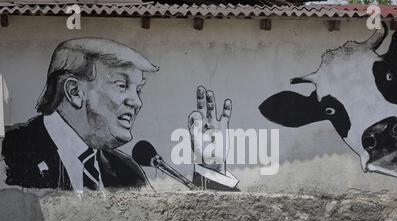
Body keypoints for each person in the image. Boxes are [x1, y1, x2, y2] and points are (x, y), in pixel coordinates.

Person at [1, 38, 239, 191]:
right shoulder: (9, 152)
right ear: (74, 92)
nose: (136, 102)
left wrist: (213, 170)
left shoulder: (129, 172)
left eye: (138, 90)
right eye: (121, 85)